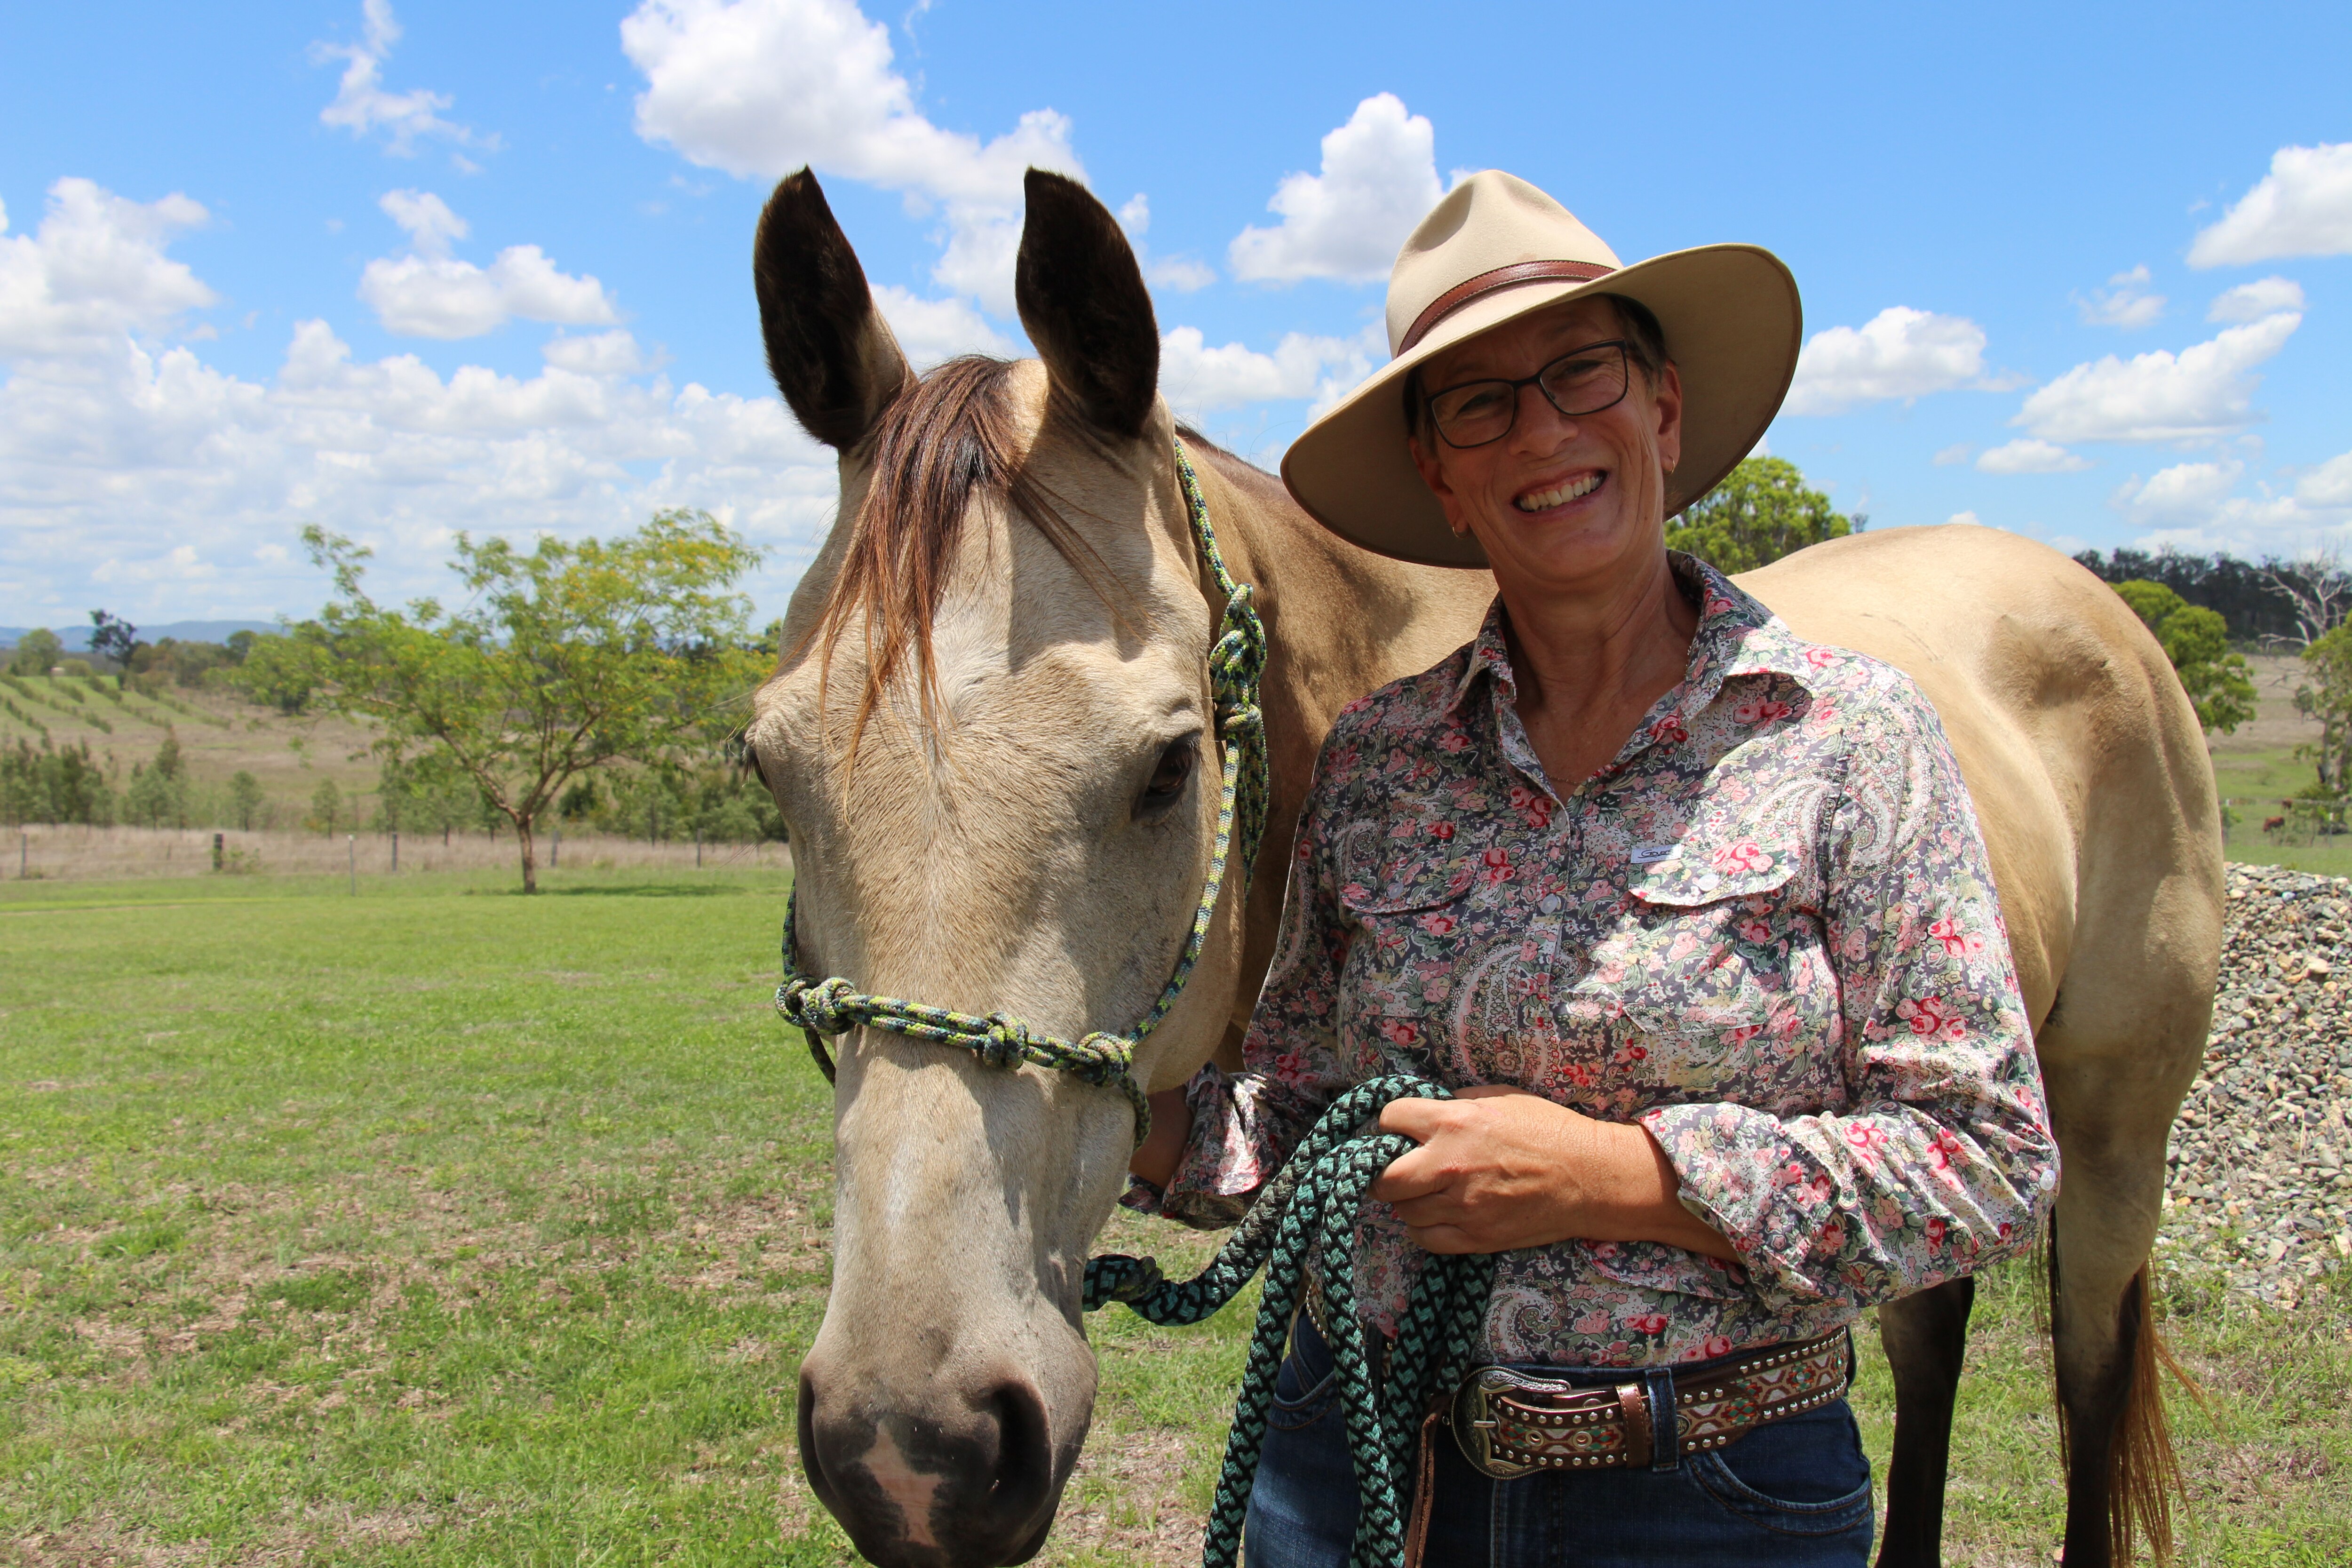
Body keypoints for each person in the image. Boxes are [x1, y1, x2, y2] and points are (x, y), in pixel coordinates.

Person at [1125, 171, 2057, 1566]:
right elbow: (1301, 1112)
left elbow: (1988, 1163)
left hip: (1712, 1492)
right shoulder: (1383, 761)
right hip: (1362, 1468)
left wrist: (1615, 1178)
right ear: (1440, 471)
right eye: (1480, 404)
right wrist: (1091, 1122)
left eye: (1582, 374)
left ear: (1663, 409)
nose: (1542, 432)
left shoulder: (1849, 740)